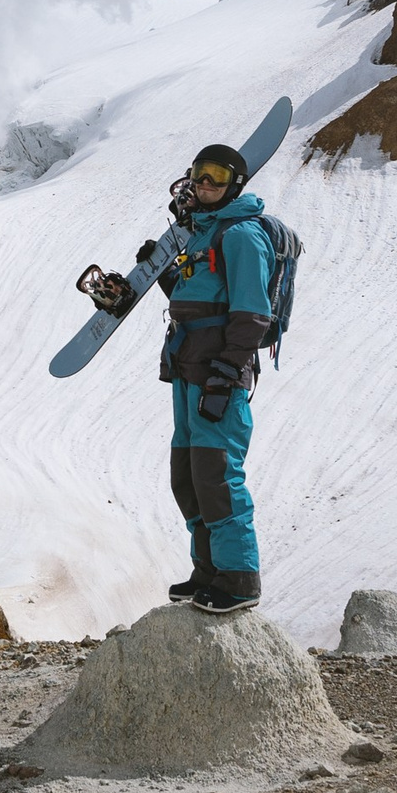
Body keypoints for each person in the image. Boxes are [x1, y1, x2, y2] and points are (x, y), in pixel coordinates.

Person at [152, 143, 275, 614]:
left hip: (217, 377)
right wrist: (164, 273)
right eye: (200, 175)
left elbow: (251, 313)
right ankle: (208, 570)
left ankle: (239, 579)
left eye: (217, 177)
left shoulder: (241, 235)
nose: (205, 185)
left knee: (218, 475)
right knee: (188, 477)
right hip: (188, 371)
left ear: (235, 185)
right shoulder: (204, 234)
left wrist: (226, 374)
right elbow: (200, 296)